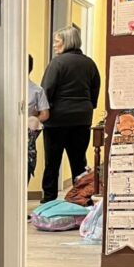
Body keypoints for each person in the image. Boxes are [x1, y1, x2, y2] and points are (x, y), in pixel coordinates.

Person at [39, 26, 100, 203]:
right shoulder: (90, 63)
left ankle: (49, 199)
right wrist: (87, 107)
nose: (54, 45)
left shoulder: (57, 63)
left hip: (57, 120)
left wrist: (42, 112)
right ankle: (81, 198)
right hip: (82, 119)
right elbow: (95, 90)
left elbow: (46, 91)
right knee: (79, 162)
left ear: (66, 42)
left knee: (52, 162)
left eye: (57, 41)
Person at [26, 53, 49, 182]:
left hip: (28, 135)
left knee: (27, 166)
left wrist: (34, 120)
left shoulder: (36, 90)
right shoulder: (7, 87)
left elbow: (45, 114)